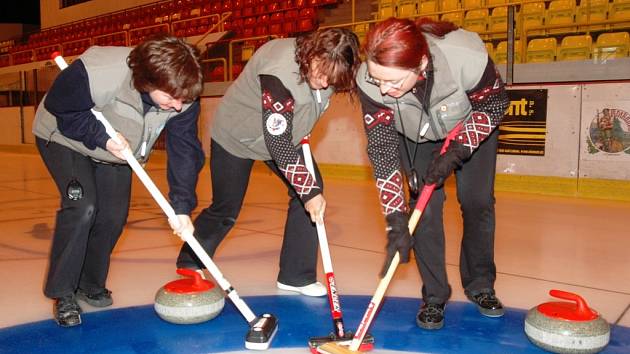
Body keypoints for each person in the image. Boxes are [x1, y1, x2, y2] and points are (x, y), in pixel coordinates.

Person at [32, 35, 205, 327]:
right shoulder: (100, 70)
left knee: (112, 216)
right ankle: (63, 293)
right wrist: (101, 137)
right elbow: (62, 107)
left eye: (183, 99)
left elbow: (184, 153)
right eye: (171, 98)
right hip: (63, 138)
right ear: (149, 82)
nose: (178, 106)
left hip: (118, 153)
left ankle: (90, 283)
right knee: (83, 207)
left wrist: (182, 206)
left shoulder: (183, 96)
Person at [176, 28, 360, 297]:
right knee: (226, 208)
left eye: (331, 79)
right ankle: (190, 260)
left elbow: (295, 120)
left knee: (310, 189)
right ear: (313, 53)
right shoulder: (279, 70)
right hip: (236, 137)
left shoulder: (331, 66)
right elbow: (278, 144)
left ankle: (295, 276)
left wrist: (308, 189)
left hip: (285, 135)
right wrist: (307, 192)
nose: (323, 83)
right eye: (321, 73)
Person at [356, 17, 510, 330]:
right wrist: (395, 218)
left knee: (477, 202)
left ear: (421, 63)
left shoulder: (464, 57)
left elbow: (495, 103)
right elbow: (382, 149)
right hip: (415, 136)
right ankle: (435, 295)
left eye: (394, 82)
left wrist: (457, 150)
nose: (384, 89)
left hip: (469, 123)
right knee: (422, 212)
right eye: (378, 80)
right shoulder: (368, 80)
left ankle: (480, 284)